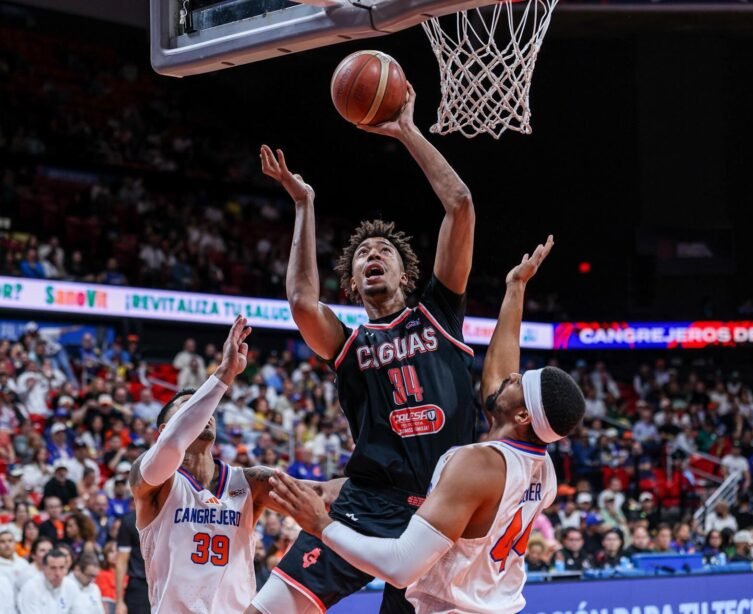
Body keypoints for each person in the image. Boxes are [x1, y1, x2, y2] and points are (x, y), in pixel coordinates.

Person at [267, 238, 587, 613]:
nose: (511, 378)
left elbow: (401, 565)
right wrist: (515, 288)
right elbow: (500, 375)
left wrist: (321, 524)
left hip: (447, 602)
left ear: (521, 416)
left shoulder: (475, 464)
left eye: (519, 384)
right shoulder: (542, 471)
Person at [255, 81, 477, 614]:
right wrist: (304, 203)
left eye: (383, 251)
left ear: (406, 273)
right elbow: (302, 302)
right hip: (369, 502)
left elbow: (460, 205)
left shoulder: (438, 312)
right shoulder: (350, 344)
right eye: (362, 255)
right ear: (353, 283)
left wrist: (407, 131)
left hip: (443, 511)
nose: (372, 255)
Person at [130, 317, 325, 612]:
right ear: (164, 430)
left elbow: (320, 493)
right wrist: (223, 375)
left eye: (207, 406)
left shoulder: (249, 482)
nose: (205, 413)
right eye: (190, 406)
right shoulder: (153, 480)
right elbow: (171, 445)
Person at [16, 548, 80, 613]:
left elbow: (78, 610)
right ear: (44, 568)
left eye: (61, 568)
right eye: (53, 568)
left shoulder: (71, 586)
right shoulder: (30, 588)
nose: (58, 573)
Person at [116, 510, 149, 614]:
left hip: (164, 583)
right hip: (139, 585)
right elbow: (121, 562)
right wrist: (119, 601)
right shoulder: (130, 520)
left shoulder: (171, 516)